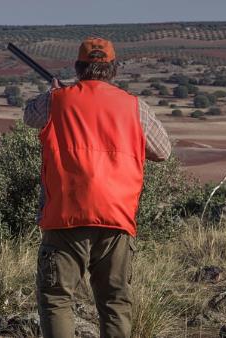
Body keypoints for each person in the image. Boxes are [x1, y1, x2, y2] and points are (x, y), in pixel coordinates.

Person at [23, 37, 171, 338]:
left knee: (56, 300)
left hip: (66, 214)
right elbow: (163, 150)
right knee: (114, 302)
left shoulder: (57, 99)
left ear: (79, 67)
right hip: (117, 216)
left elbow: (29, 116)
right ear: (113, 69)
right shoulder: (134, 107)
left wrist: (56, 91)